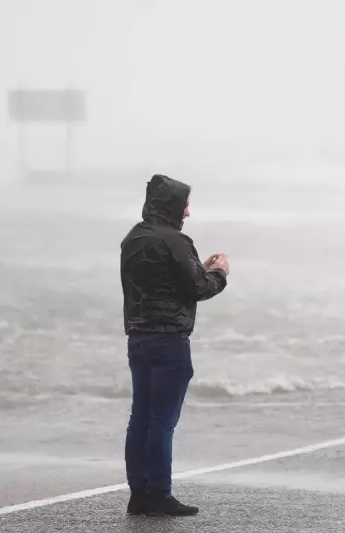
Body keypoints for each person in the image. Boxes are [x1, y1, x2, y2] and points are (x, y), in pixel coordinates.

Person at [120, 174, 229, 517]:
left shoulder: (133, 239)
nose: (188, 212)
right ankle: (160, 494)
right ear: (173, 207)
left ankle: (138, 494)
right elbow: (198, 288)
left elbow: (162, 282)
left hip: (137, 337)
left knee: (140, 417)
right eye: (185, 205)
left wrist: (200, 268)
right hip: (169, 342)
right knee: (162, 421)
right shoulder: (177, 242)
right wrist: (221, 274)